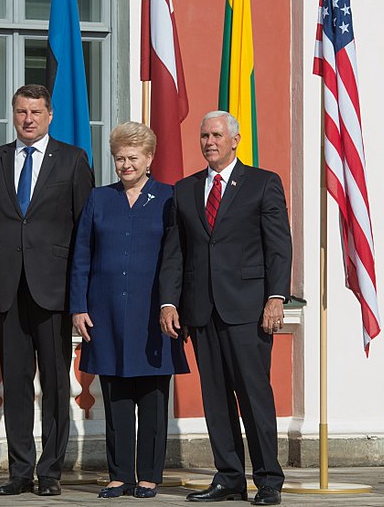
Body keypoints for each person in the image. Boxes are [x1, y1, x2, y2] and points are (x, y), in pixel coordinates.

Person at [159, 111, 292, 506]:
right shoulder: (184, 190)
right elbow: (175, 253)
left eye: (216, 135)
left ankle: (268, 480)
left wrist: (276, 297)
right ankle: (229, 477)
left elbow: (278, 247)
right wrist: (169, 301)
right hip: (201, 311)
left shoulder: (263, 183)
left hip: (248, 310)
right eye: (204, 136)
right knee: (215, 400)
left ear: (235, 140)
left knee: (254, 397)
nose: (209, 142)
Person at [0, 84, 94, 496]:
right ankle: (20, 471)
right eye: (22, 111)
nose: (28, 119)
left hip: (55, 289)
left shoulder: (74, 161)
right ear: (13, 114)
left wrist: (81, 292)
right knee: (16, 380)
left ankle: (51, 472)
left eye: (36, 112)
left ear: (50, 115)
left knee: (57, 383)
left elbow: (85, 232)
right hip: (7, 287)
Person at [69, 122, 189, 499]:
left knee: (153, 399)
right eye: (119, 158)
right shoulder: (98, 199)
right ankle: (119, 475)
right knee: (117, 397)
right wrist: (78, 306)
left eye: (132, 158)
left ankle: (149, 476)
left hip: (154, 313)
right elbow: (81, 255)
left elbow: (178, 258)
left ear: (149, 159)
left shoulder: (170, 198)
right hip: (105, 312)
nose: (125, 164)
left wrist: (173, 304)